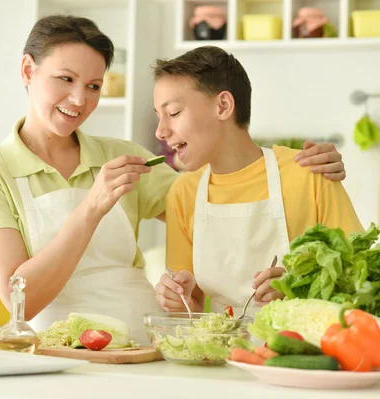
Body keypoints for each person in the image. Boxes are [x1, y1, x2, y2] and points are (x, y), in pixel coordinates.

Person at [0, 15, 347, 343]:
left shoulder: (122, 156)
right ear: (29, 70)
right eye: (65, 79)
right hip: (55, 349)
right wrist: (91, 207)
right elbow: (18, 302)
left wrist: (292, 167)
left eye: (94, 86)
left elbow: (220, 193)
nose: (79, 99)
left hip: (141, 345)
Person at [153, 46, 363, 318]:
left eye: (174, 113)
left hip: (296, 349)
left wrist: (300, 286)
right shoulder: (184, 192)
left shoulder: (309, 173)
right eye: (159, 115)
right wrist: (177, 299)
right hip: (217, 352)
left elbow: (360, 275)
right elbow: (190, 306)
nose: (160, 131)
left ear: (223, 106)